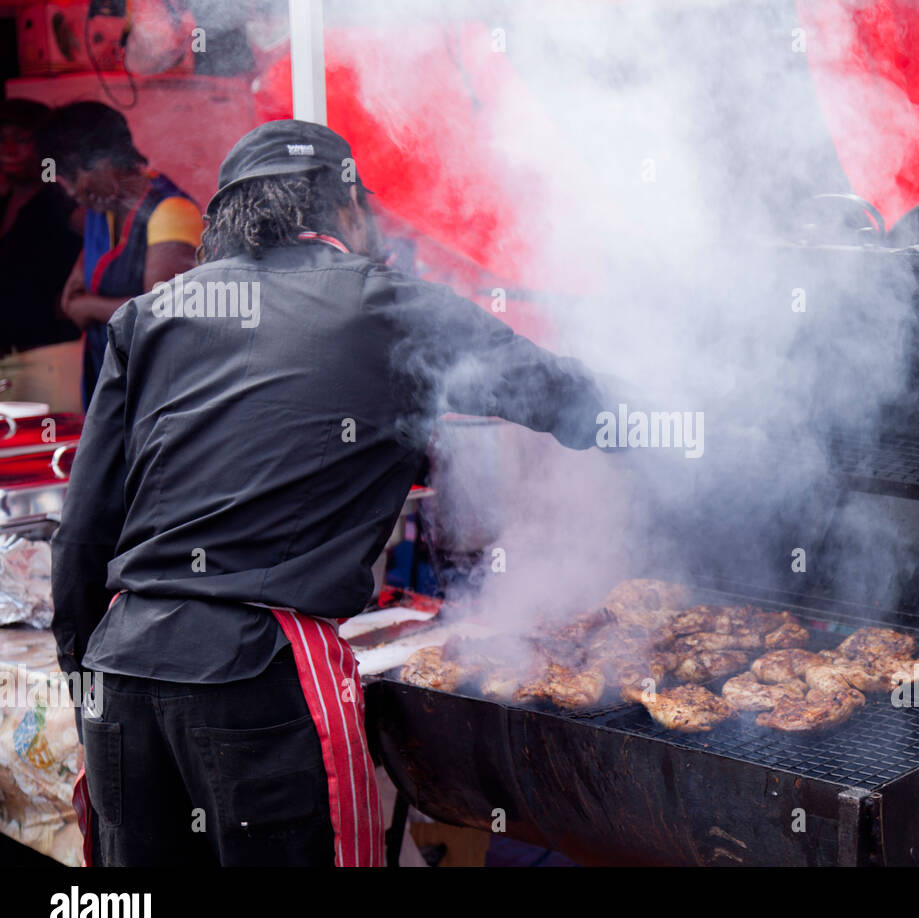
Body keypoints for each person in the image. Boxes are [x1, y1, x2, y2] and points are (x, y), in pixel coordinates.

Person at [51, 120, 610, 866]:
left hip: (123, 676)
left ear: (227, 220)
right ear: (347, 209)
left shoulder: (147, 316)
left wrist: (86, 669)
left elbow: (85, 531)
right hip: (260, 671)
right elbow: (565, 399)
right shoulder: (390, 305)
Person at [40, 101, 202, 407]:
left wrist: (89, 306)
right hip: (112, 386)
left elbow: (164, 312)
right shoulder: (101, 210)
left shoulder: (171, 211)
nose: (73, 193)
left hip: (157, 392)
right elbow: (88, 272)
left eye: (73, 178)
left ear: (103, 161)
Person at [0, 99, 82, 353]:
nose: (8, 149)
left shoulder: (68, 206)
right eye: (2, 139)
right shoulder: (5, 204)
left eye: (22, 139)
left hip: (53, 352)